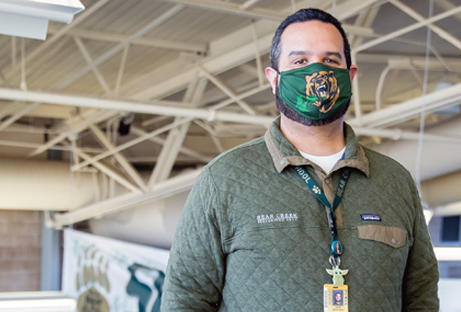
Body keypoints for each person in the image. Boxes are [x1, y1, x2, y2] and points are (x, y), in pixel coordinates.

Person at [161, 8, 439, 311]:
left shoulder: (394, 181)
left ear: (351, 75)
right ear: (274, 79)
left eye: (331, 60)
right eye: (300, 61)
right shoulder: (224, 179)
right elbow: (185, 298)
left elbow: (422, 295)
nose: (317, 72)